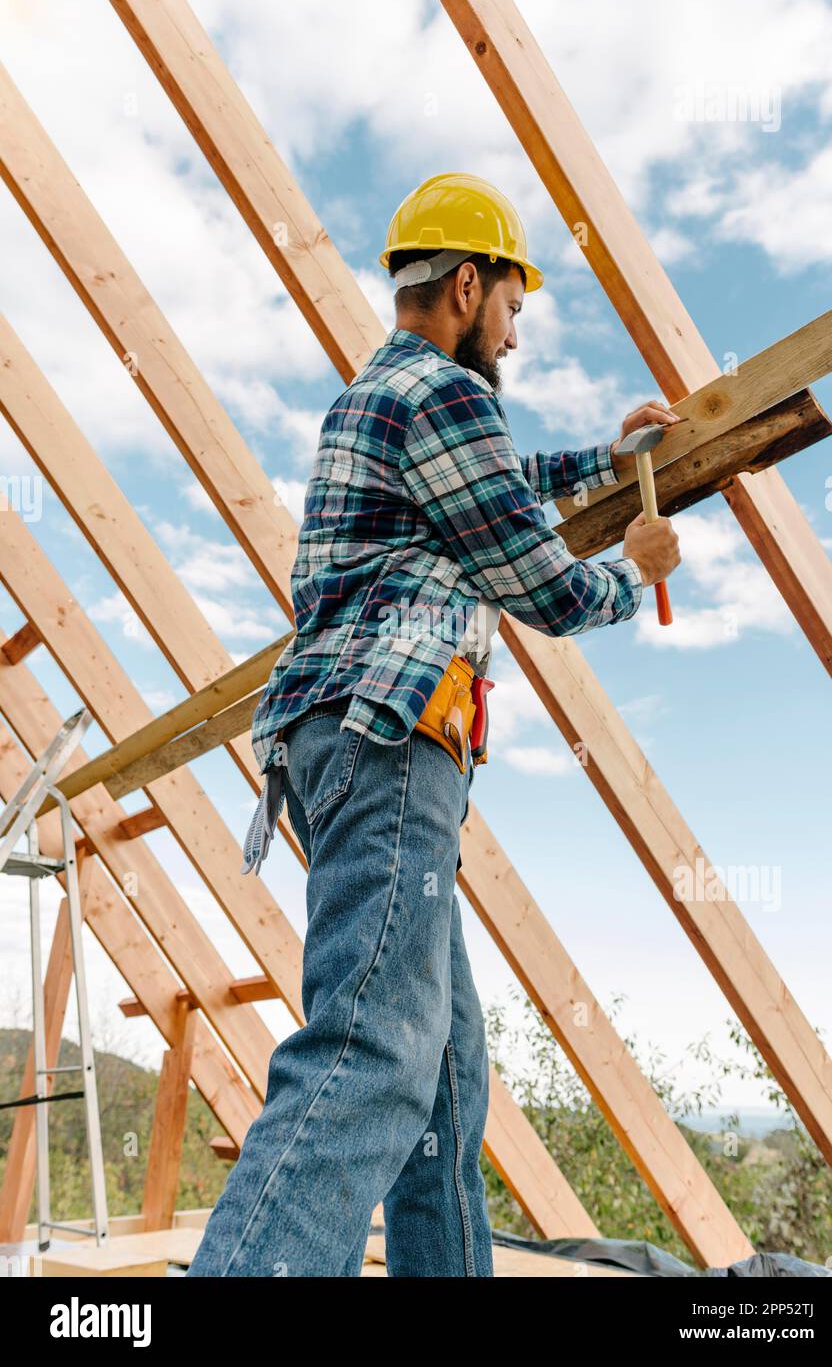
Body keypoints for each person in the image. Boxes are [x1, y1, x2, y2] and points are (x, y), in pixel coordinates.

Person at [187, 172, 680, 1278]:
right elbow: (542, 583)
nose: (513, 328)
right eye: (511, 303)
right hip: (393, 742)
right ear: (467, 282)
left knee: (445, 1070)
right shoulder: (449, 399)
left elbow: (499, 485)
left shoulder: (384, 395)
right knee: (373, 1051)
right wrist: (627, 571)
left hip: (333, 745)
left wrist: (607, 457)